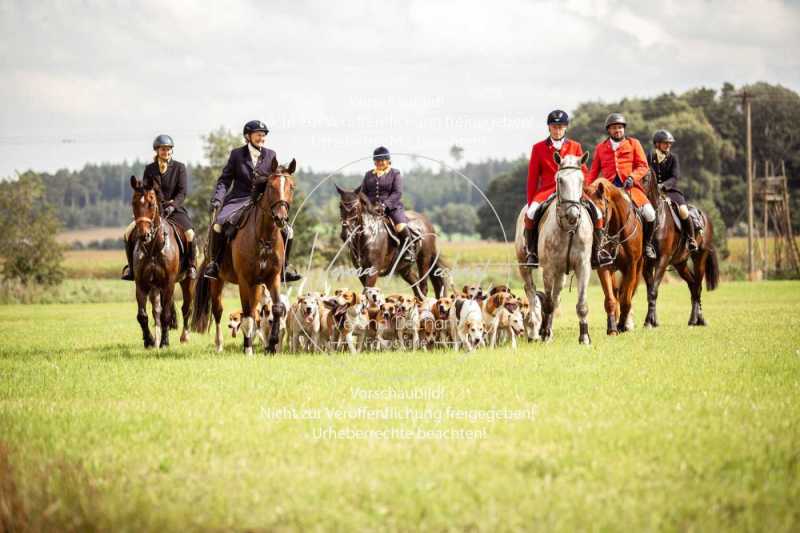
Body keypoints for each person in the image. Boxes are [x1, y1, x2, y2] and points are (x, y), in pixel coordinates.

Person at [204, 120, 301, 282]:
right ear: (248, 136)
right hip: (238, 199)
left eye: (263, 135)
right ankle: (215, 263)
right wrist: (217, 198)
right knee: (218, 225)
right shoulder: (237, 155)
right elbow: (225, 180)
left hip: (261, 201)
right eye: (258, 135)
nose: (261, 138)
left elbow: (275, 181)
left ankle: (285, 267)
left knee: (288, 231)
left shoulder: (271, 155)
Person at [121, 134, 196, 280]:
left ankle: (191, 266)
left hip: (175, 210)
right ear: (157, 151)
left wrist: (173, 205)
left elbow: (182, 192)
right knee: (128, 233)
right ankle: (131, 268)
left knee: (190, 234)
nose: (166, 152)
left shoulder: (179, 167)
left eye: (168, 149)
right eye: (163, 149)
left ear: (171, 151)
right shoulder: (150, 169)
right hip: (153, 211)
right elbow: (145, 190)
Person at [523, 109, 590, 267]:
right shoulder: (538, 148)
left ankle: (596, 251)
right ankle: (532, 252)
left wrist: (585, 193)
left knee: (597, 212)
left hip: (572, 192)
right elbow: (532, 178)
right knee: (531, 212)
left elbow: (584, 173)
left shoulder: (575, 146)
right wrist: (531, 200)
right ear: (549, 128)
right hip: (547, 190)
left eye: (561, 126)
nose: (558, 130)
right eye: (554, 126)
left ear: (566, 127)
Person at [587, 112, 657, 260]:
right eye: (614, 128)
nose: (617, 130)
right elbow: (593, 172)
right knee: (595, 214)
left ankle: (647, 245)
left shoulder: (634, 143)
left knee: (650, 214)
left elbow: (643, 166)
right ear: (609, 130)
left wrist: (632, 177)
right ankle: (596, 250)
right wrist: (587, 189)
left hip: (631, 188)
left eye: (620, 127)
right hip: (608, 191)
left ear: (624, 129)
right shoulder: (600, 148)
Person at [357, 146, 415, 263]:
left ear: (388, 161)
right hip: (372, 209)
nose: (380, 163)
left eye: (383, 160)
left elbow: (397, 193)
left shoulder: (395, 173)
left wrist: (385, 205)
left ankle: (410, 251)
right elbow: (363, 192)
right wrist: (367, 205)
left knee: (400, 226)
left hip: (392, 208)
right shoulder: (368, 175)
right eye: (378, 160)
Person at [648, 129, 698, 251]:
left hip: (671, 191)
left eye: (670, 143)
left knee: (683, 211)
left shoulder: (673, 158)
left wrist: (663, 186)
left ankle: (691, 238)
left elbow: (675, 177)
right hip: (653, 192)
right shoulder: (650, 156)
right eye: (665, 143)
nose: (668, 145)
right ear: (657, 144)